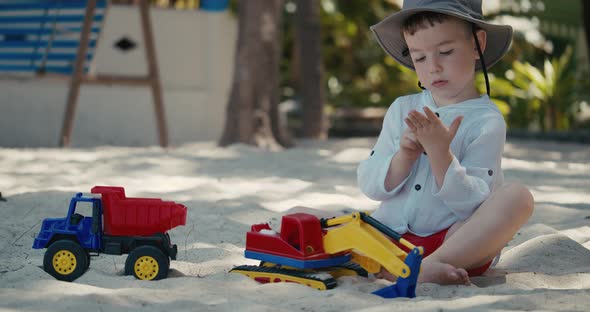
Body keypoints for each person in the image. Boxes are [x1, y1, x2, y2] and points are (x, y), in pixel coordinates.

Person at [358, 0, 534, 285]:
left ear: (478, 45)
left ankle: (431, 265)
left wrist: (441, 152)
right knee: (307, 218)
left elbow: (471, 205)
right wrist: (404, 155)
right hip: (390, 237)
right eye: (419, 58)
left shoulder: (487, 121)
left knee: (518, 198)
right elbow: (370, 186)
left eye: (446, 52)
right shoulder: (402, 108)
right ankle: (402, 267)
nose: (434, 67)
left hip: (453, 241)